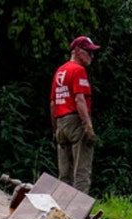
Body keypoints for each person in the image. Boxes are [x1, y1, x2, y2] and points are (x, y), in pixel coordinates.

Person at [51, 35, 101, 194]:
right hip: (75, 122)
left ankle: (62, 213)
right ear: (77, 51)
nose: (92, 56)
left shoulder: (60, 71)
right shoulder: (78, 70)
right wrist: (88, 127)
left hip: (60, 123)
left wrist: (55, 129)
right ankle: (79, 213)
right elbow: (80, 100)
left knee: (64, 175)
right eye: (89, 52)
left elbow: (53, 103)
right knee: (81, 172)